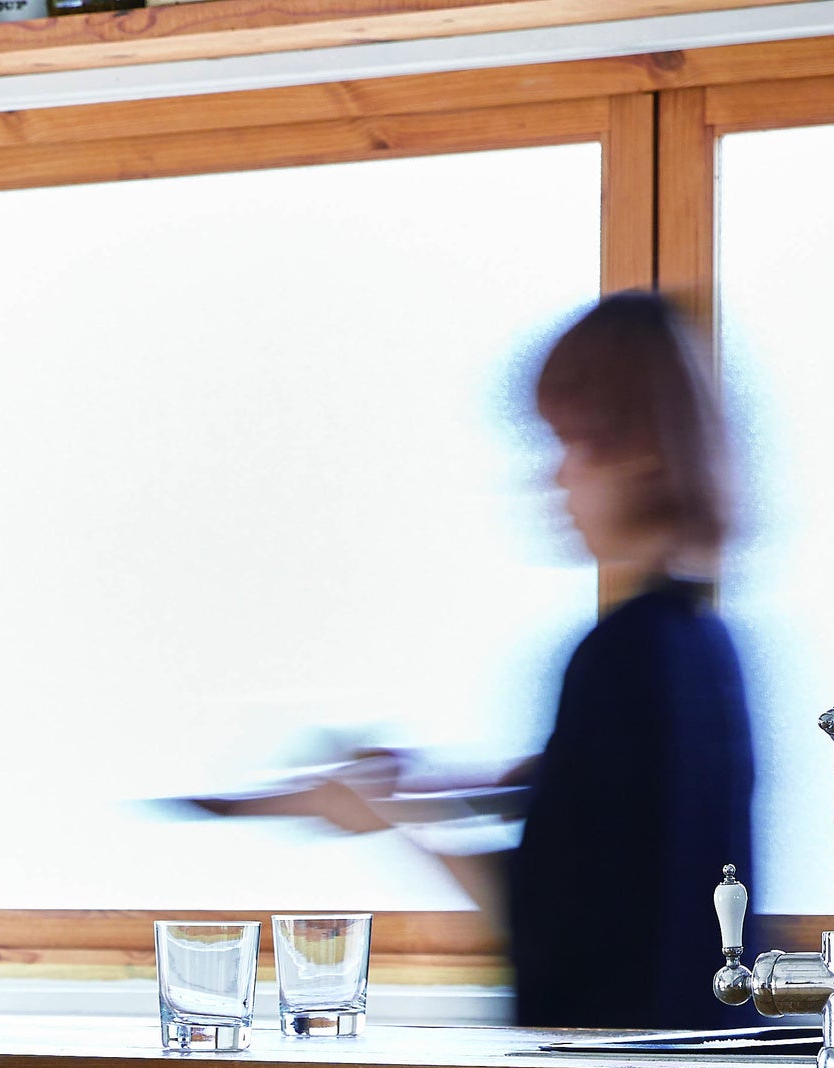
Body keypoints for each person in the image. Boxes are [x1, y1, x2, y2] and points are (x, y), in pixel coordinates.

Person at [204, 292, 758, 1030]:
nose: (556, 478)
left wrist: (388, 818)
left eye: (573, 444)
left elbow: (553, 916)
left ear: (641, 453)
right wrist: (434, 787)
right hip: (694, 1052)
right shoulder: (702, 645)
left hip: (617, 1067)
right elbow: (609, 825)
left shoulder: (621, 654)